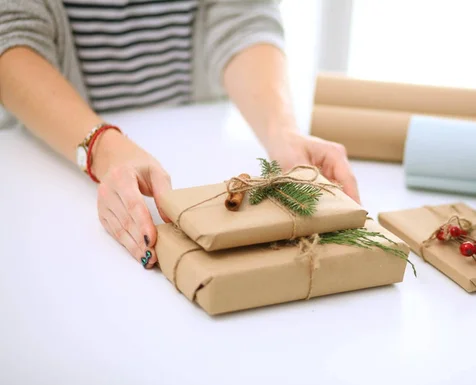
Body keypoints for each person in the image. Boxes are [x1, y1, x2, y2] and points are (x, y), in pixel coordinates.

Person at [0, 0, 360, 269]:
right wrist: (101, 148)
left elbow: (244, 16)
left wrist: (281, 131)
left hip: (196, 141)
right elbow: (10, 31)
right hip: (43, 165)